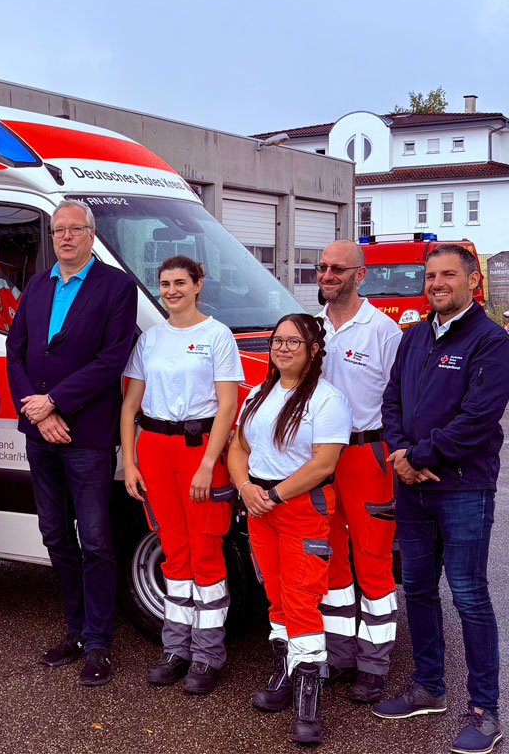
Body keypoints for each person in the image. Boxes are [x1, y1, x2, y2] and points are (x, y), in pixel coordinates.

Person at [374, 244, 509, 754]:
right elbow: (391, 400)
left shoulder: (491, 340)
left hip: (462, 487)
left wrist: (420, 455)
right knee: (419, 589)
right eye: (430, 275)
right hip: (411, 487)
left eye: (448, 274)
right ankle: (428, 688)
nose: (436, 283)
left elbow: (478, 417)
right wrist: (401, 451)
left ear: (472, 281)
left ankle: (484, 709)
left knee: (469, 595)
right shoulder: (414, 338)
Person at [6, 198, 137, 687]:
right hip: (42, 433)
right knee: (56, 536)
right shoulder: (38, 284)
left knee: (97, 542)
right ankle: (77, 631)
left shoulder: (116, 287)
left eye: (74, 229)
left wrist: (56, 402)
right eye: (58, 230)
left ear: (90, 234)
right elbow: (15, 350)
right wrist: (38, 411)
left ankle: (100, 644)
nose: (64, 237)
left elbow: (111, 360)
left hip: (87, 436)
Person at [120, 255, 243, 695]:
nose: (171, 290)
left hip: (199, 450)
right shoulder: (151, 339)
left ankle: (208, 655)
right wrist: (130, 462)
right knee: (172, 549)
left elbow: (227, 406)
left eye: (179, 283)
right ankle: (176, 649)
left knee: (206, 547)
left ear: (197, 285)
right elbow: (130, 405)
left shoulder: (217, 335)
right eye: (164, 283)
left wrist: (210, 463)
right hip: (153, 448)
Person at [228, 313, 352, 746]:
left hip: (300, 508)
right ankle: (283, 677)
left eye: (293, 342)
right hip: (260, 507)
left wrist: (274, 495)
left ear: (313, 350)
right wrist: (245, 487)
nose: (281, 348)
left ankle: (307, 702)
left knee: (302, 601)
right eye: (277, 341)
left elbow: (324, 463)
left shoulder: (327, 399)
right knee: (277, 598)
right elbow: (238, 447)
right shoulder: (259, 395)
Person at [315, 239, 402, 702]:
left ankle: (373, 662)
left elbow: (402, 400)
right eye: (322, 267)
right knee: (329, 556)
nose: (327, 275)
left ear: (359, 275)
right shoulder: (311, 329)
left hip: (367, 455)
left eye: (337, 269)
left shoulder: (383, 332)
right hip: (317, 459)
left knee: (373, 558)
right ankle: (339, 654)